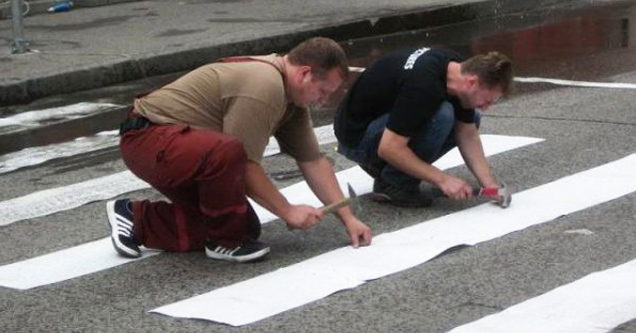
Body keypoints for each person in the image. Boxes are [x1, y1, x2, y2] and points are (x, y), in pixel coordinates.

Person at [106, 37, 372, 263]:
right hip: (147, 138)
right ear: (304, 73)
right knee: (230, 153)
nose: (324, 101)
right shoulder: (265, 84)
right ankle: (223, 244)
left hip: (184, 149)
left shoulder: (292, 100)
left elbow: (312, 161)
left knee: (240, 226)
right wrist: (287, 210)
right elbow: (244, 164)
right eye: (323, 91)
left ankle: (134, 217)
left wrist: (348, 218)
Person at [334, 47, 513, 207]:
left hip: (383, 125)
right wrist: (443, 180)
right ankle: (394, 183)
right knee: (442, 115)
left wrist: (489, 186)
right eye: (487, 100)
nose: (486, 107)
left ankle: (390, 169)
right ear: (472, 82)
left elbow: (467, 134)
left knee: (472, 117)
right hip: (356, 139)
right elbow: (389, 148)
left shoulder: (456, 68)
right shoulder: (423, 85)